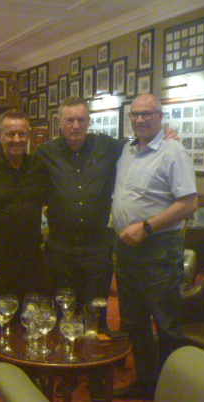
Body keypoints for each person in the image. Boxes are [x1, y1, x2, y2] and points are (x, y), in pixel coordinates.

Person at [111, 94, 197, 401]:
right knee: (134, 321)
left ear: (160, 117)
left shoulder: (173, 151)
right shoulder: (128, 150)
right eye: (135, 114)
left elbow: (188, 203)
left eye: (147, 114)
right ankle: (147, 382)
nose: (140, 119)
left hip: (158, 247)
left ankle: (173, 392)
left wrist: (146, 227)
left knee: (166, 322)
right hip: (126, 248)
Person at [33, 97, 122, 332]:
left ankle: (96, 354)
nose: (75, 125)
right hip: (60, 251)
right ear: (59, 123)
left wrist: (166, 136)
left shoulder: (108, 147)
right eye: (70, 120)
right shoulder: (45, 153)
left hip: (97, 249)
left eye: (81, 120)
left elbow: (140, 146)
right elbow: (19, 167)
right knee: (63, 314)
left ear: (89, 121)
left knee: (96, 314)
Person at [0, 109, 49, 305]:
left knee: (33, 315)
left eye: (21, 134)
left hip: (33, 258)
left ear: (28, 135)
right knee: (1, 316)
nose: (16, 139)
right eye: (10, 134)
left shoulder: (38, 166)